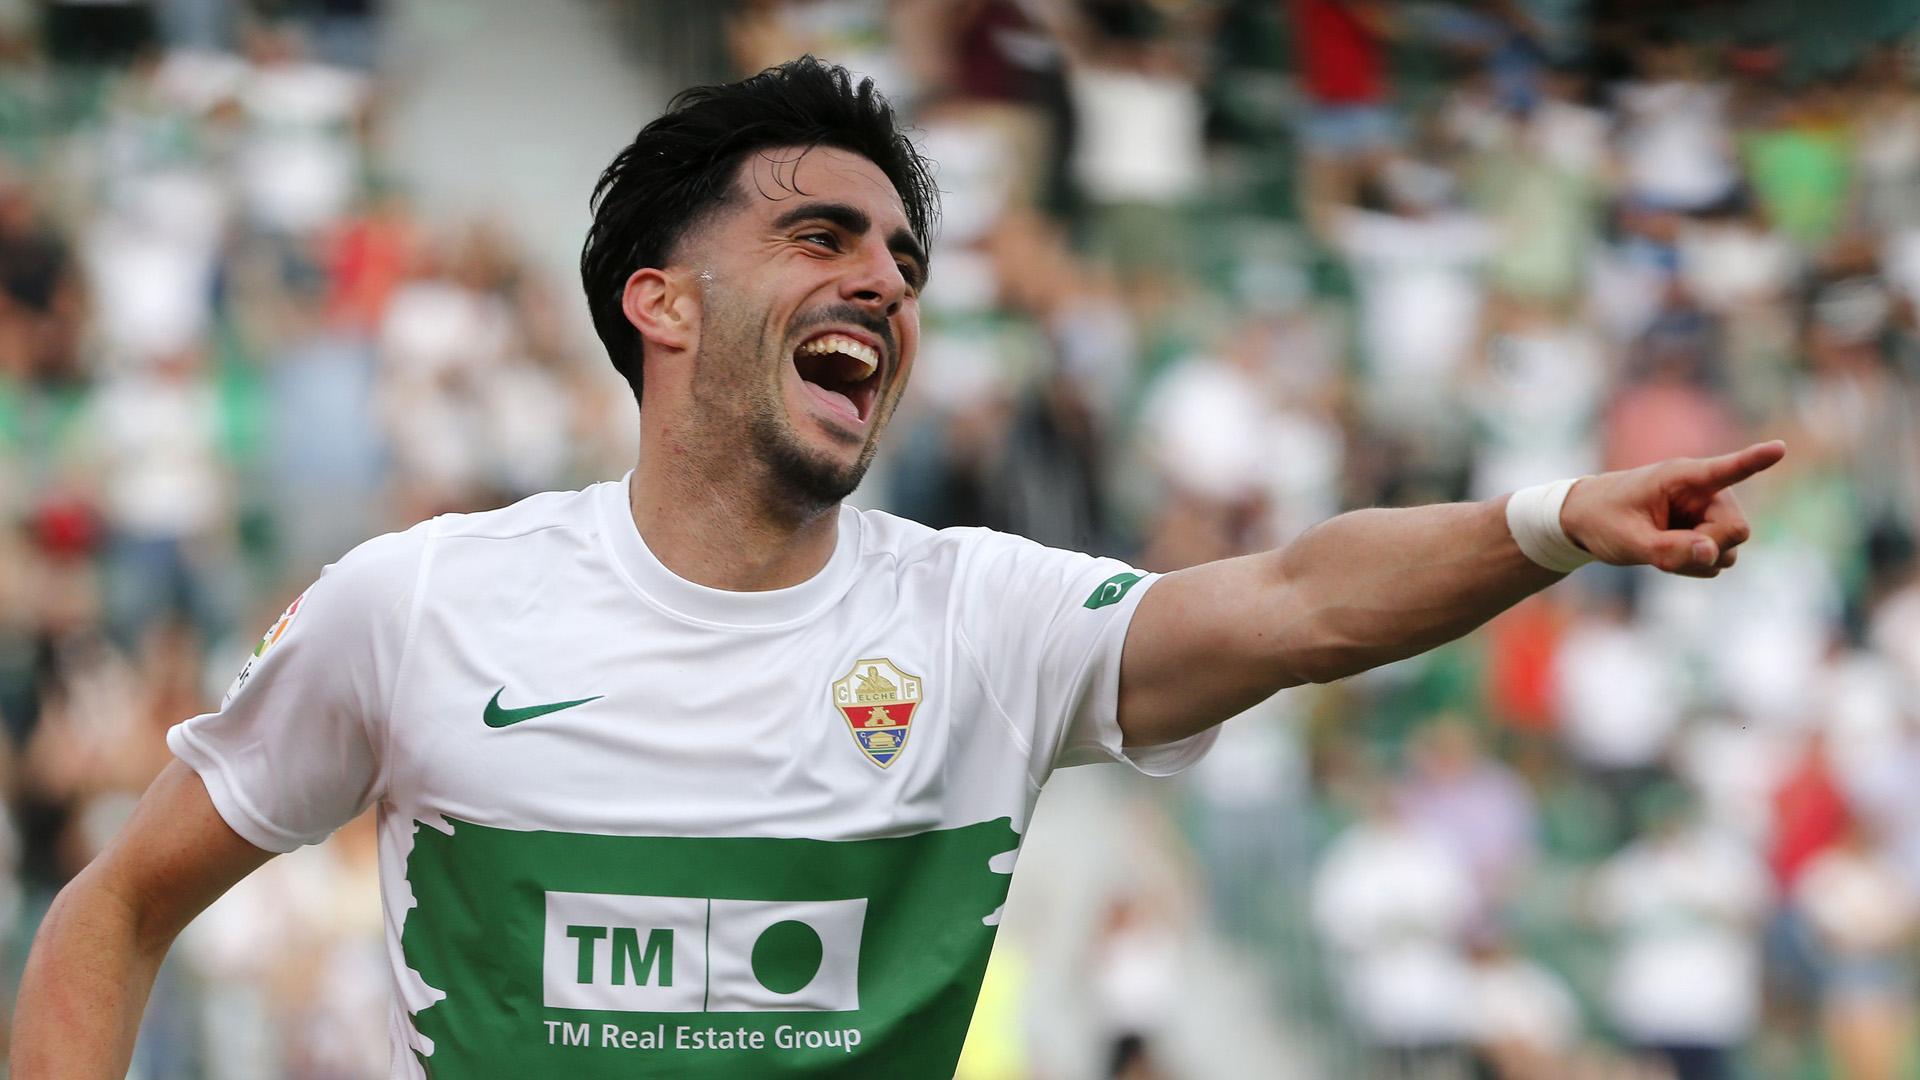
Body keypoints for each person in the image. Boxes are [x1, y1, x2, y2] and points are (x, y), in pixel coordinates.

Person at [10, 57, 1784, 1078]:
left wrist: (1550, 520)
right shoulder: (424, 605)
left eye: (906, 254)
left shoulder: (982, 621)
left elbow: (1307, 602)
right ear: (663, 300)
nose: (885, 279)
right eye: (821, 233)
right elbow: (112, 910)